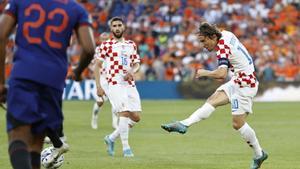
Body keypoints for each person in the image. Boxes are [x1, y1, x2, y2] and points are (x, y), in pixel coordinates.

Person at [0, 0, 95, 169]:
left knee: (18, 138)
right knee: (36, 144)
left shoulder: (20, 2)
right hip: (53, 80)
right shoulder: (76, 9)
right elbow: (89, 48)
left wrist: (0, 82)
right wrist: (78, 72)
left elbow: (1, 35)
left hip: (24, 73)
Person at [161, 22, 268, 169]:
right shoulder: (226, 34)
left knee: (238, 124)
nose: (203, 45)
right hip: (238, 79)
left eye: (204, 41)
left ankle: (259, 154)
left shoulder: (222, 48)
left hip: (245, 85)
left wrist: (205, 72)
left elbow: (221, 74)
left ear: (213, 37)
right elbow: (220, 32)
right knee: (212, 100)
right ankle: (184, 124)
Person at [93, 17, 141, 157]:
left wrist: (133, 71)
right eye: (114, 26)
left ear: (124, 27)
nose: (117, 28)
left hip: (129, 84)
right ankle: (126, 149)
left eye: (119, 25)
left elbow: (136, 63)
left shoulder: (131, 44)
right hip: (114, 83)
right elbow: (97, 65)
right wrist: (98, 86)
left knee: (136, 117)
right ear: (111, 29)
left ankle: (111, 138)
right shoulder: (106, 45)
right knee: (124, 112)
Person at [91, 32, 118, 130]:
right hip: (102, 78)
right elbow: (94, 64)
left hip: (112, 77)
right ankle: (94, 117)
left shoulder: (114, 48)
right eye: (103, 39)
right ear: (100, 40)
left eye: (107, 39)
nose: (105, 41)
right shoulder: (98, 50)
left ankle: (115, 123)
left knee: (115, 101)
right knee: (100, 101)